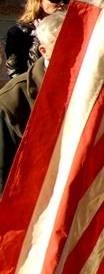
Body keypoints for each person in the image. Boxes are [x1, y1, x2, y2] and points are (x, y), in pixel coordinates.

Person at [0, 11, 64, 195]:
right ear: (44, 51)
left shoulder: (95, 83)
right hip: (36, 201)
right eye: (64, 44)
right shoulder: (13, 99)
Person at [4, 0, 69, 77]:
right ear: (39, 0)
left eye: (65, 0)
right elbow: (14, 70)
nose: (62, 4)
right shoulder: (20, 32)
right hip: (35, 86)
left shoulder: (71, 29)